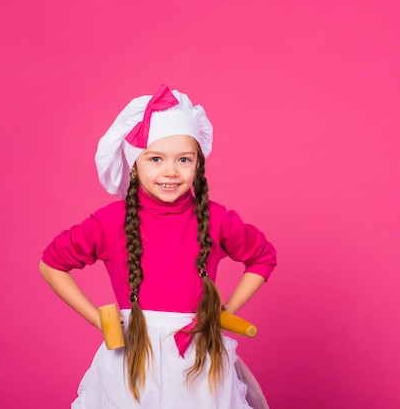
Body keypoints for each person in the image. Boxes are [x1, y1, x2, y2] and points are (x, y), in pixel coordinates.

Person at [39, 84, 277, 408]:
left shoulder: (217, 218)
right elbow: (52, 263)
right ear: (135, 164)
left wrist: (224, 313)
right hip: (131, 361)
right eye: (155, 158)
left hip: (200, 359)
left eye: (183, 159)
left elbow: (263, 257)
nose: (170, 171)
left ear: (198, 164)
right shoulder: (112, 220)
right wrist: (97, 319)